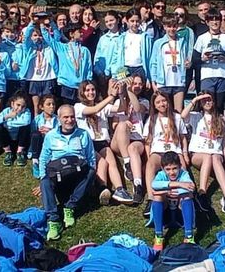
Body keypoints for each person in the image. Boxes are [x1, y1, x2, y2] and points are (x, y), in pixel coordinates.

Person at [39, 104, 97, 241]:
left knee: (91, 171)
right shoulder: (51, 136)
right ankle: (53, 221)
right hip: (58, 175)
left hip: (77, 175)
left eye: (72, 117)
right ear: (59, 119)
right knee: (45, 180)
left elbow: (91, 157)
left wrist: (92, 168)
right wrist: (42, 176)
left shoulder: (83, 134)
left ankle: (70, 207)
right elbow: (43, 158)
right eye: (65, 117)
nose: (69, 120)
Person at [74, 80, 133, 205]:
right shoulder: (78, 107)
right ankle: (102, 189)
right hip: (88, 142)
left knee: (111, 161)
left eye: (93, 89)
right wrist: (111, 96)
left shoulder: (103, 106)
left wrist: (121, 94)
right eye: (87, 90)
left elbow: (121, 108)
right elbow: (94, 109)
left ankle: (119, 189)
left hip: (102, 142)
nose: (91, 92)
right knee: (102, 162)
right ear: (82, 93)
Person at [181, 91, 225, 214]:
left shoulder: (221, 118)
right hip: (198, 154)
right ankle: (202, 192)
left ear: (214, 101)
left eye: (209, 99)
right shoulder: (196, 116)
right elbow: (183, 116)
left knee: (214, 157)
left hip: (216, 154)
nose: (207, 102)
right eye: (204, 100)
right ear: (200, 102)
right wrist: (194, 100)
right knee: (207, 156)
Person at [143, 90, 189, 214]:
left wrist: (184, 153)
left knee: (182, 167)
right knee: (150, 165)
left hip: (174, 149)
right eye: (158, 102)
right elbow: (148, 141)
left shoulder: (177, 117)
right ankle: (151, 199)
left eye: (163, 101)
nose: (161, 104)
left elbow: (183, 137)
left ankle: (182, 198)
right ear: (154, 105)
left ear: (168, 102)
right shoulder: (152, 119)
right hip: (158, 151)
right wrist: (149, 156)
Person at [110, 74, 149, 204]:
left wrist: (129, 90)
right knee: (121, 125)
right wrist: (125, 123)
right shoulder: (118, 102)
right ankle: (127, 163)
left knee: (133, 148)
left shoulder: (144, 101)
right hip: (119, 142)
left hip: (137, 139)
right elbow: (114, 125)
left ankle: (138, 185)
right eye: (134, 83)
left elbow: (138, 108)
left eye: (140, 84)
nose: (137, 86)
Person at [150, 151, 196, 250]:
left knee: (186, 196)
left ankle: (189, 235)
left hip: (180, 212)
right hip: (166, 213)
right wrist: (177, 185)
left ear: (180, 166)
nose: (172, 172)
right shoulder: (161, 175)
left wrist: (162, 191)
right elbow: (154, 185)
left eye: (175, 168)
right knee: (157, 197)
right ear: (163, 169)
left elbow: (190, 187)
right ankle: (159, 236)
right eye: (168, 169)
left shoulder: (184, 174)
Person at [42, 22, 92, 104]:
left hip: (81, 87)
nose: (82, 33)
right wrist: (44, 24)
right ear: (71, 34)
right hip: (66, 85)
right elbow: (49, 39)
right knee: (66, 110)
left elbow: (89, 69)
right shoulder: (62, 48)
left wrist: (88, 83)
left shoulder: (85, 50)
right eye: (79, 31)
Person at [150, 15, 191, 111]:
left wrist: (188, 63)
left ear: (177, 27)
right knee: (164, 110)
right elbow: (154, 63)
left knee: (178, 111)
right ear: (164, 27)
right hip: (163, 82)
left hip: (179, 81)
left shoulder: (182, 42)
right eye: (169, 26)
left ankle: (178, 126)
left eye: (174, 26)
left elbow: (187, 58)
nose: (172, 29)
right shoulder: (159, 43)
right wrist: (153, 81)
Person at [20, 21, 57, 115]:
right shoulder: (29, 47)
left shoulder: (49, 47)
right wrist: (32, 22)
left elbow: (56, 37)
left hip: (47, 78)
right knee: (36, 106)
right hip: (33, 79)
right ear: (31, 37)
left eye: (40, 35)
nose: (38, 38)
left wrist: (49, 24)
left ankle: (48, 125)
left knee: (48, 106)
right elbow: (26, 37)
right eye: (35, 35)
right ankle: (35, 127)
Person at [0, 91, 32, 166]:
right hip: (8, 139)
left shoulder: (26, 112)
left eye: (23, 106)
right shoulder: (6, 111)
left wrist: (8, 123)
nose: (20, 108)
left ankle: (20, 152)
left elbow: (26, 122)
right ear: (12, 104)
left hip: (20, 140)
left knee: (25, 127)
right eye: (18, 105)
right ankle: (8, 152)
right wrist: (6, 117)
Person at [31, 94, 57, 177]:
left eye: (53, 104)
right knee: (35, 134)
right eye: (48, 104)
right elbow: (31, 133)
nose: (52, 106)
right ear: (42, 107)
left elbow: (60, 134)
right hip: (39, 143)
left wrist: (50, 132)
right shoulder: (37, 119)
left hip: (52, 144)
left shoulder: (57, 119)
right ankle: (35, 161)